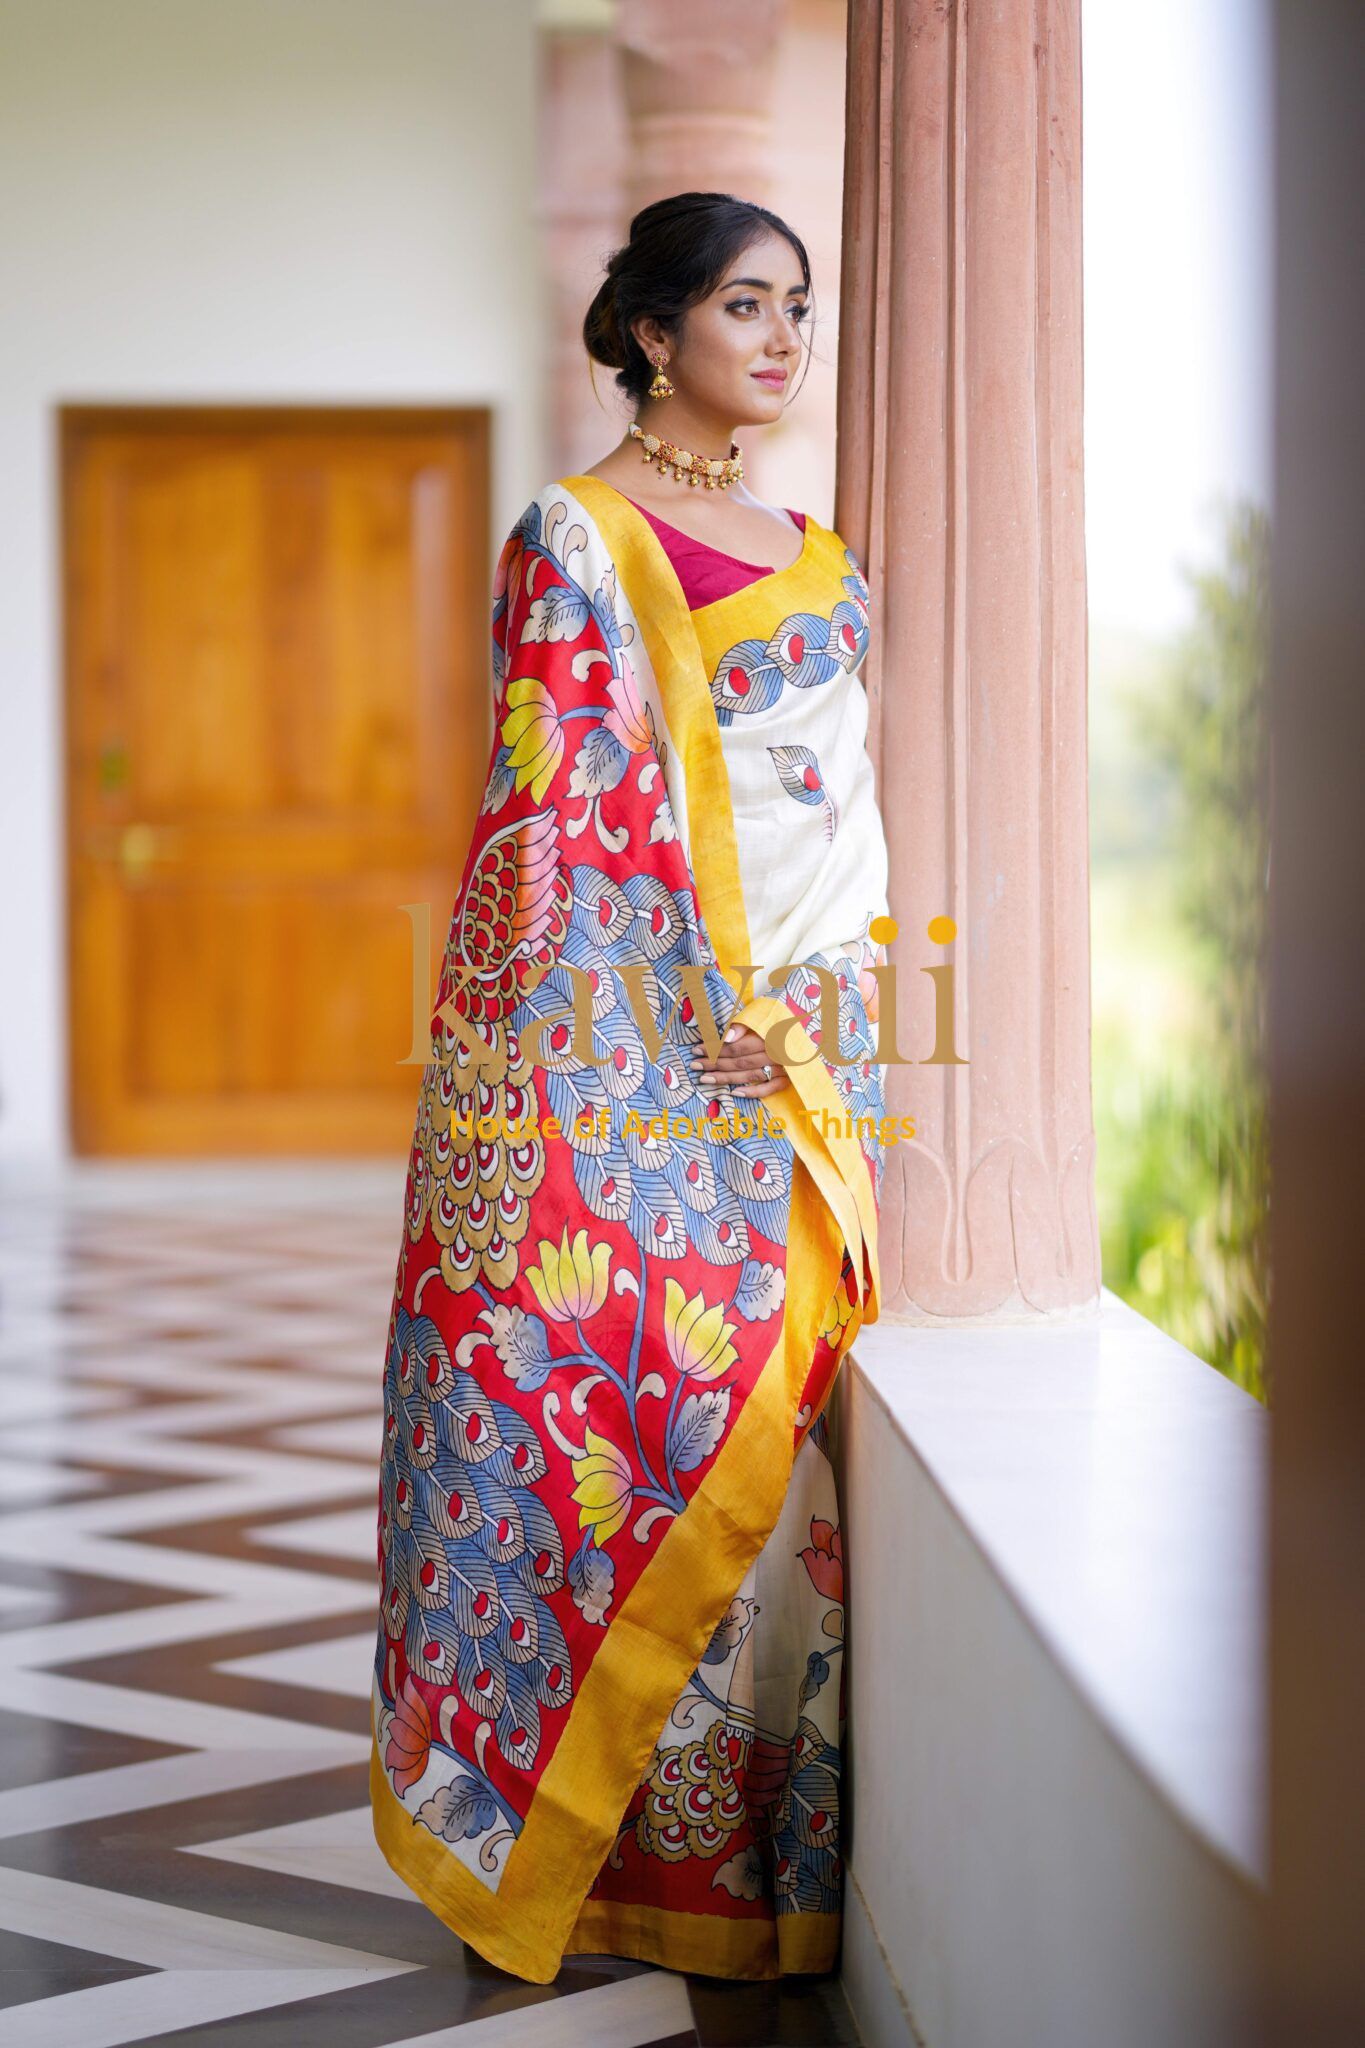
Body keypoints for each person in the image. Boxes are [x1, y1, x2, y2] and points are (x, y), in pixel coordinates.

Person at [369, 191, 891, 1986]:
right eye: (745, 304)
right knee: (627, 1413)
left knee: (780, 1494)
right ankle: (586, 1867)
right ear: (653, 333)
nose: (782, 339)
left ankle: (740, 1878)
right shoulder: (576, 540)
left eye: (799, 310)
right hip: (645, 1076)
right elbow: (557, 833)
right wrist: (657, 1059)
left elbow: (842, 829)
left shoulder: (816, 549)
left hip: (806, 1062)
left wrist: (830, 1021)